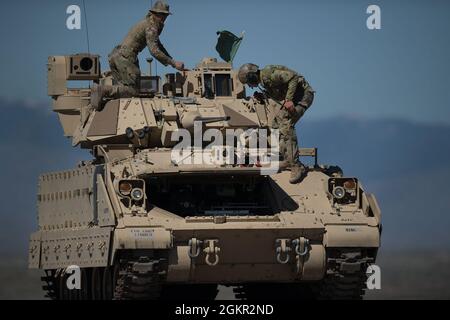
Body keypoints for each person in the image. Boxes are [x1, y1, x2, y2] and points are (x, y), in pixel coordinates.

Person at [91, 0, 185, 109]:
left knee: (122, 89)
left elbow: (158, 45)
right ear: (156, 14)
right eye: (163, 15)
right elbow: (154, 50)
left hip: (116, 55)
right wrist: (173, 63)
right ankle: (103, 90)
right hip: (126, 57)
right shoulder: (152, 26)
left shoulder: (147, 23)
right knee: (134, 90)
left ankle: (100, 103)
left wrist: (172, 60)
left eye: (165, 15)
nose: (165, 18)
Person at [238, 63, 315, 183]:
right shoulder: (264, 82)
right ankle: (286, 159)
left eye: (248, 82)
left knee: (286, 125)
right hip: (295, 98)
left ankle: (295, 165)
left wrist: (289, 100)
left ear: (252, 75)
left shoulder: (269, 74)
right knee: (274, 125)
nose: (250, 86)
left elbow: (293, 77)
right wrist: (263, 96)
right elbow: (277, 92)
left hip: (303, 96)